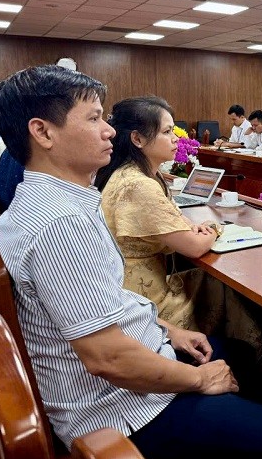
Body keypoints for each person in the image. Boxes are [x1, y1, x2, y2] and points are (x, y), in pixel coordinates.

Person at [0, 65, 262, 459]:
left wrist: (169, 331)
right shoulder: (61, 224)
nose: (109, 130)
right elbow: (107, 357)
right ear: (43, 132)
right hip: (121, 410)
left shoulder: (50, 201)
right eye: (94, 118)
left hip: (133, 362)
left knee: (239, 355)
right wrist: (198, 379)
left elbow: (106, 301)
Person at [94, 96, 220, 332]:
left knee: (215, 285)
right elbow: (194, 247)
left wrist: (190, 226)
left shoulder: (142, 173)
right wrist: (213, 228)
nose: (175, 138)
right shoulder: (138, 184)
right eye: (167, 132)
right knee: (223, 290)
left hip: (141, 284)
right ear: (137, 139)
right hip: (143, 300)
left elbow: (174, 215)